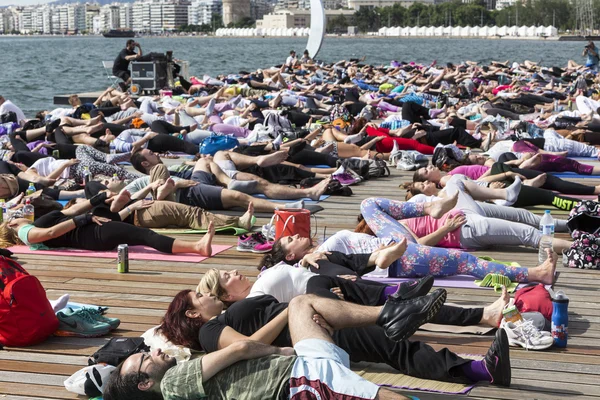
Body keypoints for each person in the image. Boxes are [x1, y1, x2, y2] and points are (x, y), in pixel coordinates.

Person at [102, 292, 494, 400]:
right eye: (144, 359)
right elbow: (241, 350)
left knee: (304, 302)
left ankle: (393, 311)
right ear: (144, 384)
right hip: (297, 380)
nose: (153, 352)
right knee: (386, 397)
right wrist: (282, 350)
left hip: (299, 366)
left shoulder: (181, 372)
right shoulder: (173, 384)